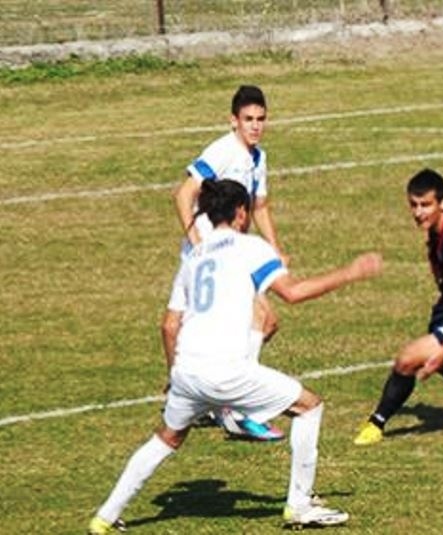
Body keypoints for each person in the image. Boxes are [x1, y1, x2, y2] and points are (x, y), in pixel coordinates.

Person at [88, 180, 383, 534]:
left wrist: (174, 376)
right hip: (226, 372)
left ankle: (104, 517)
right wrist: (350, 272)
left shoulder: (194, 256)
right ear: (241, 212)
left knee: (166, 438)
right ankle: (300, 506)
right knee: (309, 407)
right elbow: (293, 293)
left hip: (187, 371)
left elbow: (169, 326)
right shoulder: (250, 248)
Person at [161, 85, 286, 440]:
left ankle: (209, 399)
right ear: (233, 121)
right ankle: (216, 400)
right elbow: (183, 193)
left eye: (261, 119)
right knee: (173, 326)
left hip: (232, 252)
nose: (255, 126)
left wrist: (275, 248)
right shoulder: (222, 151)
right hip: (209, 252)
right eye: (248, 119)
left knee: (264, 321)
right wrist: (197, 242)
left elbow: (260, 206)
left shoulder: (258, 158)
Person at [353, 168, 443, 446]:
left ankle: (376, 423)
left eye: (426, 205)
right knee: (441, 355)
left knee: (408, 359)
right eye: (414, 205)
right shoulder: (440, 228)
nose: (419, 212)